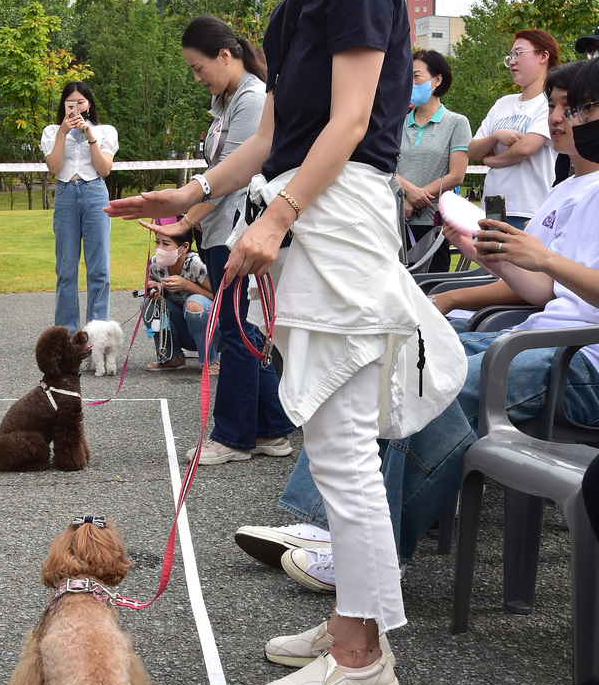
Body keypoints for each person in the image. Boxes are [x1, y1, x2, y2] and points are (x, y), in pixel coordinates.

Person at [106, 0, 466, 685]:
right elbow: (272, 138)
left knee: (341, 448)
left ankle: (361, 655)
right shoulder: (291, 7)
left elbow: (349, 125)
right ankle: (354, 622)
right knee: (330, 442)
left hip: (337, 218)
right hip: (311, 215)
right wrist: (192, 197)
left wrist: (278, 216)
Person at [235, 60, 599, 588]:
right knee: (398, 361)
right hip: (536, 340)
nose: (562, 118)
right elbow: (544, 291)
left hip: (581, 360)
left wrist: (541, 259)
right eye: (558, 106)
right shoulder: (566, 190)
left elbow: (553, 278)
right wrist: (489, 254)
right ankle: (325, 524)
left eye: (579, 108)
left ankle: (374, 556)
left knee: (443, 384)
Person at [143, 15, 294, 463]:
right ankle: (271, 430)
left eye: (198, 67)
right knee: (239, 328)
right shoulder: (228, 102)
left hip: (235, 234)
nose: (197, 78)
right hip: (220, 232)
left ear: (225, 56)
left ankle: (233, 437)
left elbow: (230, 177)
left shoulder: (252, 98)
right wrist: (188, 223)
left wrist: (184, 221)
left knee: (236, 331)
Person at [41, 82, 118, 334]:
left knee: (99, 268)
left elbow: (104, 169)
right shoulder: (52, 131)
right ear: (63, 105)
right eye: (70, 103)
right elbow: (54, 168)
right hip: (65, 193)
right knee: (66, 268)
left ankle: (97, 333)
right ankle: (67, 333)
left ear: (89, 103)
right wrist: (63, 133)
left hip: (94, 192)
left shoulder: (105, 131)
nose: (76, 108)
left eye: (81, 102)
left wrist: (90, 136)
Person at [468, 29, 559, 229]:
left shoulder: (549, 103)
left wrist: (490, 160)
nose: (512, 62)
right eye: (510, 56)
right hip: (491, 208)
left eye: (519, 53)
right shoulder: (502, 104)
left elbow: (525, 148)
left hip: (527, 210)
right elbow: (472, 151)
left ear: (544, 56)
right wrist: (495, 136)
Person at [397, 49, 470, 272]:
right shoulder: (397, 123)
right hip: (394, 220)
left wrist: (415, 198)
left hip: (434, 223)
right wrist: (407, 191)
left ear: (437, 80)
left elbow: (456, 176)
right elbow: (387, 167)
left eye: (416, 76)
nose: (410, 82)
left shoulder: (456, 123)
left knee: (431, 284)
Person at [142, 230, 219, 373]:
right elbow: (151, 285)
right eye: (157, 242)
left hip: (216, 331)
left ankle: (211, 359)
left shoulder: (197, 264)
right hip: (184, 329)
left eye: (166, 244)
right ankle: (171, 357)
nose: (159, 249)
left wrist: (187, 285)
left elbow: (220, 297)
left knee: (194, 303)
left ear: (185, 247)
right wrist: (155, 288)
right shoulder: (155, 264)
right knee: (149, 303)